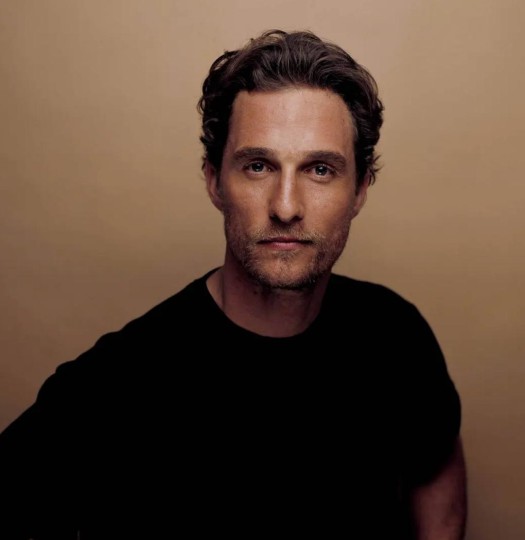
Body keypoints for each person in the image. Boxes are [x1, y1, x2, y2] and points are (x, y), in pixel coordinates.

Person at [0, 29, 467, 539]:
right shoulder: (114, 388)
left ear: (359, 191)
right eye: (258, 166)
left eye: (319, 169)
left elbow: (438, 488)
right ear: (214, 181)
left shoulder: (396, 333)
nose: (285, 206)